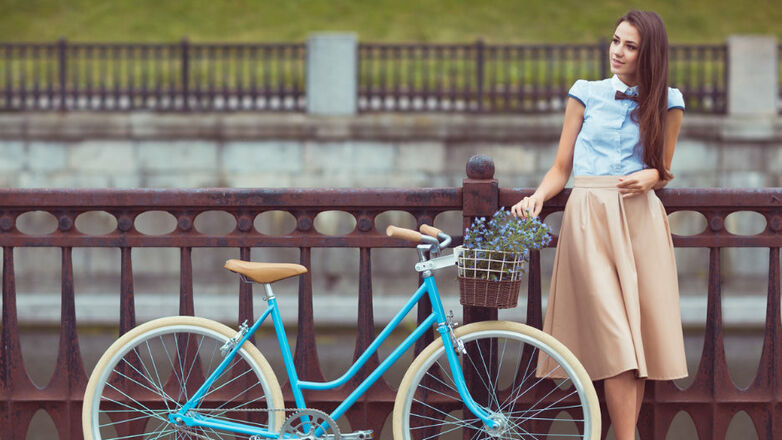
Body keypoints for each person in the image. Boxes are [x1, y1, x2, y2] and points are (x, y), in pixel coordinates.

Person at [510, 10, 688, 440]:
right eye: (615, 41)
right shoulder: (585, 93)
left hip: (638, 221)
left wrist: (654, 176)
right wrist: (537, 197)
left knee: (635, 340)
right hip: (589, 220)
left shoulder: (669, 101)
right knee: (617, 338)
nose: (617, 52)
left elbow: (664, 167)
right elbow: (561, 167)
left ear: (649, 55)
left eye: (630, 46)